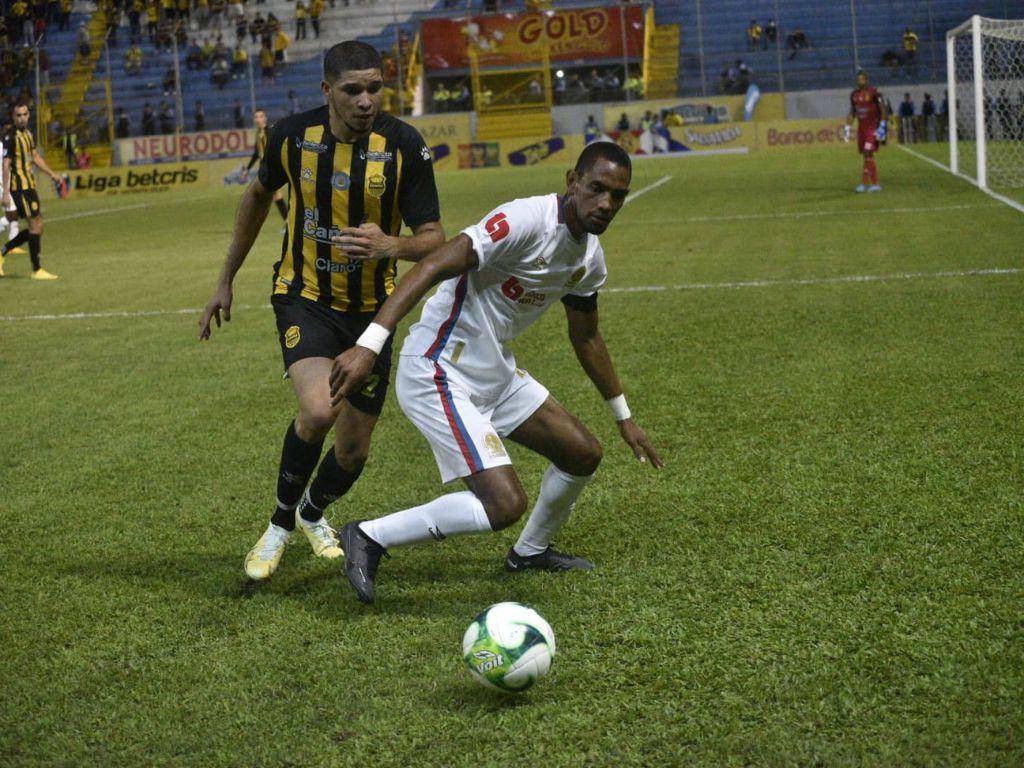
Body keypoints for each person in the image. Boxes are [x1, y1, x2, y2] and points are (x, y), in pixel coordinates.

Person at [329, 141, 662, 604]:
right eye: (597, 189)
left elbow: (586, 337)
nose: (606, 204)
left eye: (618, 196)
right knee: (503, 504)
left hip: (495, 373)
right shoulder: (525, 220)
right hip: (437, 368)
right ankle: (368, 535)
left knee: (582, 454)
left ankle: (530, 552)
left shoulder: (589, 259)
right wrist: (370, 344)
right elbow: (431, 264)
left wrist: (623, 415)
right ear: (572, 182)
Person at [198, 41, 446, 581]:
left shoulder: (405, 145)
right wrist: (225, 280)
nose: (365, 101)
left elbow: (435, 239)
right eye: (353, 90)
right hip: (304, 296)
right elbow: (258, 198)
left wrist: (391, 246)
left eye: (375, 88)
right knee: (317, 411)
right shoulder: (290, 136)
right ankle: (280, 525)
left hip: (373, 315)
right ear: (327, 90)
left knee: (353, 453)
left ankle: (313, 514)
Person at [0, 102, 61, 279]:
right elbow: (6, 165)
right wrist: (5, 193)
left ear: (29, 115)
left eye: (24, 114)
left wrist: (52, 173)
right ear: (13, 116)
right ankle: (37, 269)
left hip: (30, 186)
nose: (21, 118)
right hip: (19, 188)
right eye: (18, 115)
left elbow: (34, 157)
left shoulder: (28, 134)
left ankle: (3, 251)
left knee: (37, 226)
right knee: (35, 224)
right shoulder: (10, 137)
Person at [239, 108, 286, 220]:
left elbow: (274, 150)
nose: (258, 119)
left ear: (265, 118)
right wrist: (247, 169)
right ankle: (288, 220)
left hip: (270, 168)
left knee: (267, 194)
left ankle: (289, 220)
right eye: (256, 117)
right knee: (274, 195)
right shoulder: (258, 133)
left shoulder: (268, 132)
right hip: (265, 167)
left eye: (260, 116)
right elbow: (256, 153)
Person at [844, 70, 887, 193]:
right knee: (866, 155)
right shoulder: (854, 95)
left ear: (867, 80)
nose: (860, 82)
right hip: (861, 129)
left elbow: (883, 109)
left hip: (872, 129)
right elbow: (852, 112)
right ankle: (874, 184)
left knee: (868, 151)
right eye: (858, 79)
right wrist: (847, 127)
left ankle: (864, 183)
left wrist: (882, 125)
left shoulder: (875, 93)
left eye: (862, 79)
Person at [0, 133, 24, 258]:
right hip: (2, 186)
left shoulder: (2, 145)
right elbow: (5, 166)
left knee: (14, 214)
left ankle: (12, 244)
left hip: (8, 185)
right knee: (12, 214)